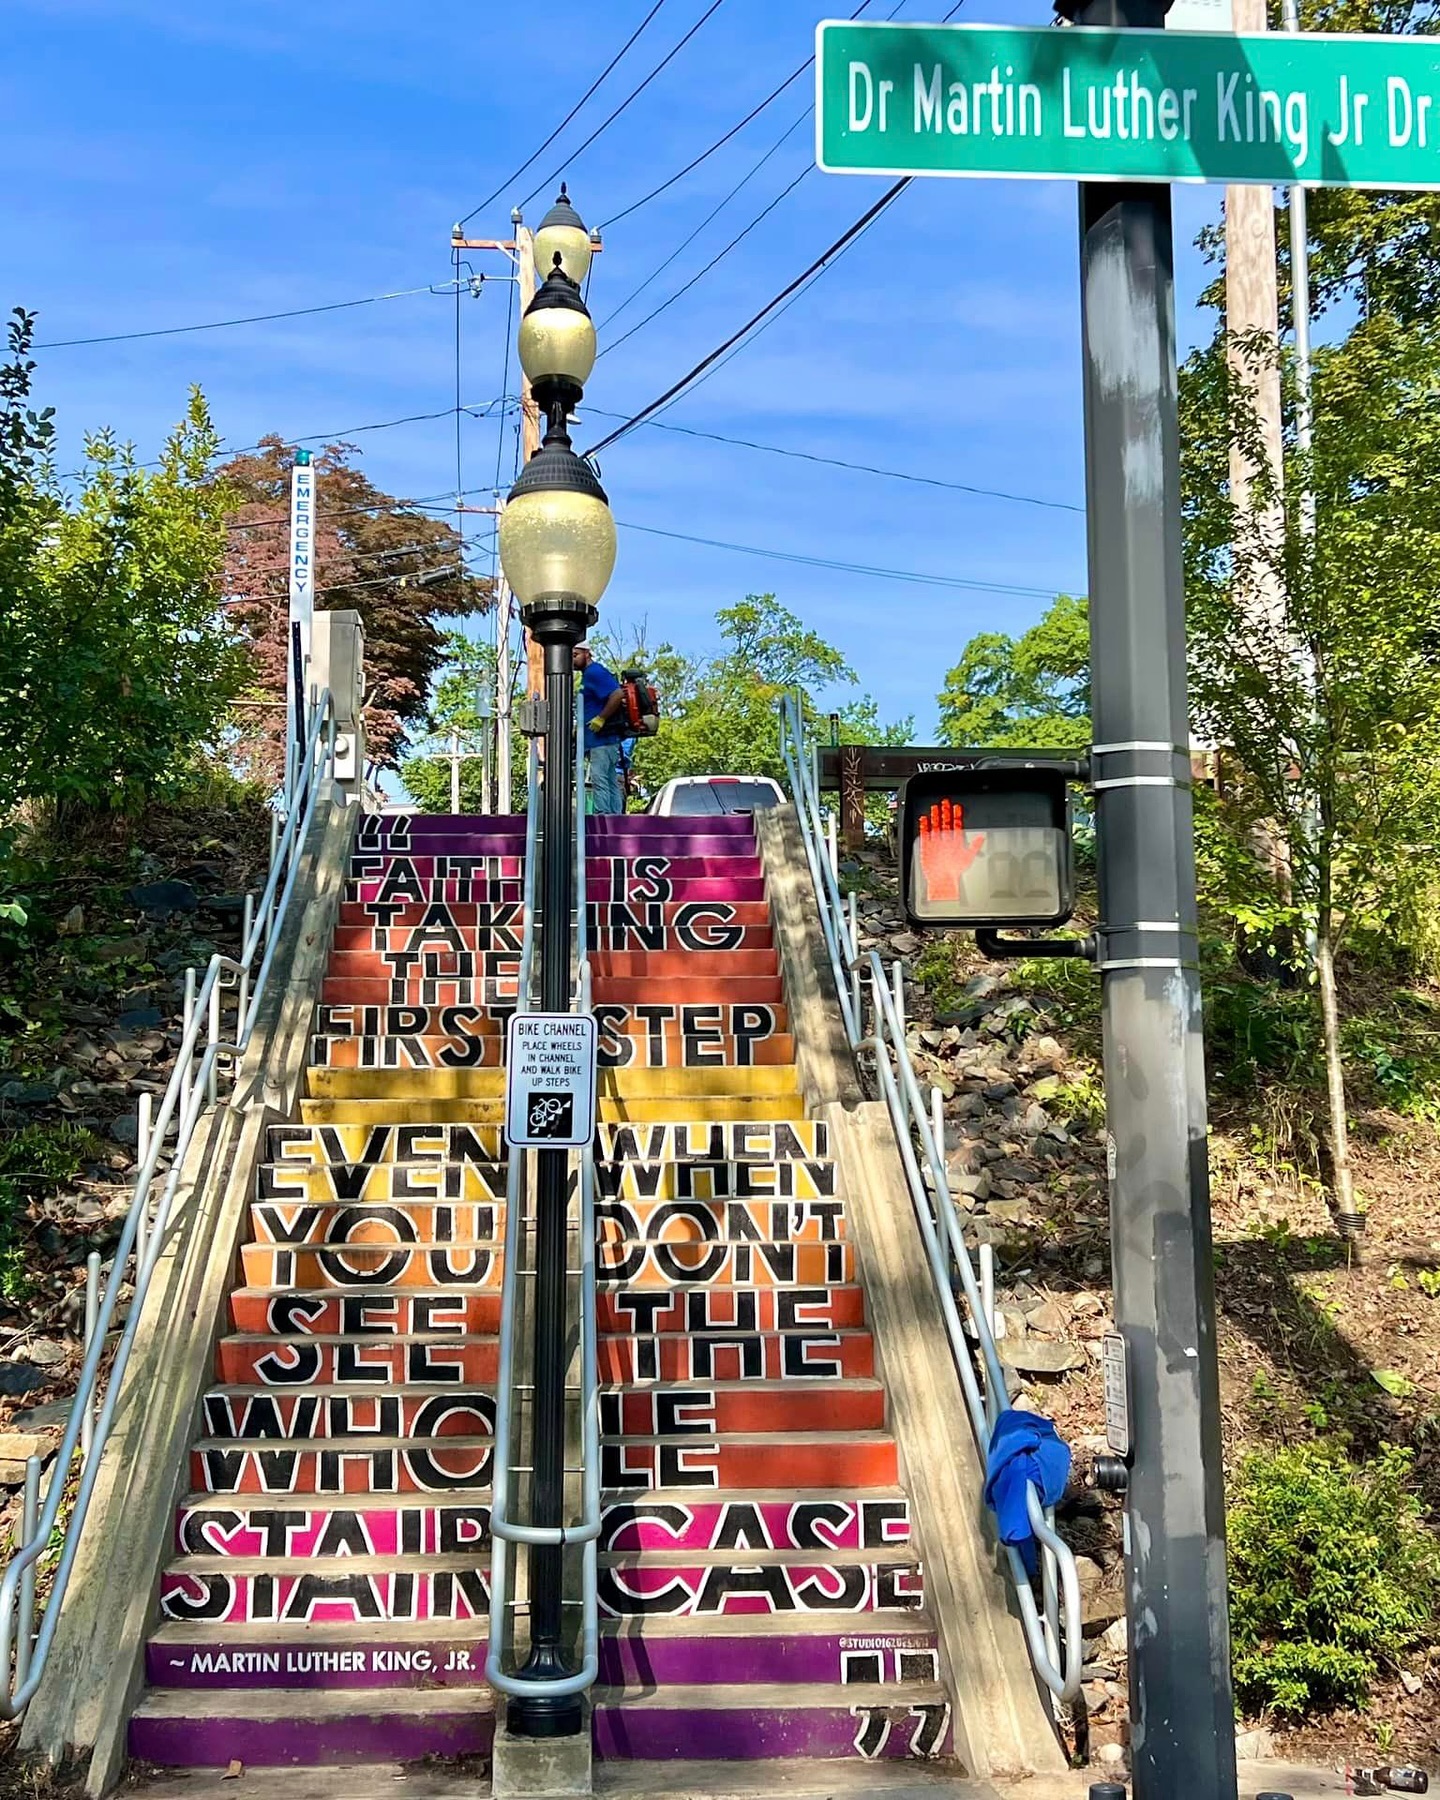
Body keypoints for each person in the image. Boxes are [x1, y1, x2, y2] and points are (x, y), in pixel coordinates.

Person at [573, 646, 626, 815]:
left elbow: (617, 694)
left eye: (575, 655)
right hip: (598, 740)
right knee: (609, 779)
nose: (572, 660)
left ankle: (603, 814)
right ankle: (615, 816)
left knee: (599, 778)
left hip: (601, 740)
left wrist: (601, 718)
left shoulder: (595, 672)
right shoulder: (588, 675)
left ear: (587, 654)